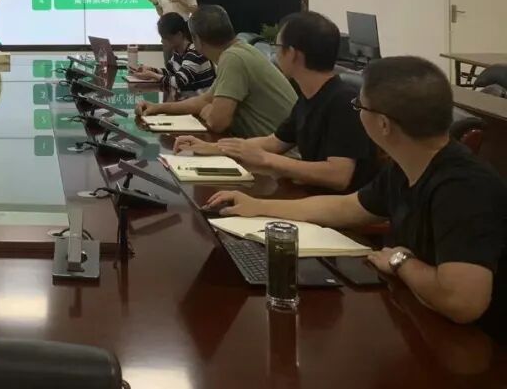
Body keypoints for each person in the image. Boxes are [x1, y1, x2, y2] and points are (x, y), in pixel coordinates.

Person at [205, 56, 507, 336]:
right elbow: (347, 207)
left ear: (384, 124)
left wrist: (401, 261)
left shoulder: (465, 188)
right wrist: (258, 206)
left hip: (475, 347)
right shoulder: (407, 166)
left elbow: (463, 302)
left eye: (359, 106)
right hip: (421, 317)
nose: (357, 113)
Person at [175, 11, 378, 192]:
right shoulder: (309, 98)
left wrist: (267, 160)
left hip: (338, 209)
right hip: (312, 195)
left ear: (292, 54)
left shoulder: (342, 101)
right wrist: (211, 147)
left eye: (278, 47)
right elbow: (273, 142)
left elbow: (339, 175)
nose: (275, 53)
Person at [136, 5, 295, 138]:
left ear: (197, 40)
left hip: (282, 156)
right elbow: (204, 100)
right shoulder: (238, 51)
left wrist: (207, 110)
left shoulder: (233, 58)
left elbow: (217, 123)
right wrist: (157, 107)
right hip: (264, 148)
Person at [128, 12, 214, 92]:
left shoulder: (194, 53)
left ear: (179, 35)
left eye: (165, 38)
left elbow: (178, 81)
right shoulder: (178, 52)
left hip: (199, 100)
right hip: (188, 98)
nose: (162, 41)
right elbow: (170, 72)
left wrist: (152, 75)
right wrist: (151, 69)